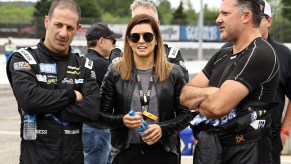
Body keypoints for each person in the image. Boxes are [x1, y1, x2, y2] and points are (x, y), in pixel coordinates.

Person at [180, 0, 279, 163]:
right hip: (214, 149)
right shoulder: (221, 55)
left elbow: (216, 107)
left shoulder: (260, 53)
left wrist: (202, 101)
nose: (218, 19)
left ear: (246, 17)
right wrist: (213, 92)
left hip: (247, 151)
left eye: (225, 14)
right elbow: (184, 96)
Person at [6, 0, 101, 163]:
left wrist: (45, 107)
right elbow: (29, 100)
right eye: (58, 25)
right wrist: (72, 96)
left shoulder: (84, 65)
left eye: (70, 27)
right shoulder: (24, 58)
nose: (63, 33)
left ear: (78, 29)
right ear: (47, 22)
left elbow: (91, 110)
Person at [98, 14, 192, 164]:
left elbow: (186, 115)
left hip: (164, 152)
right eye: (135, 37)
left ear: (156, 40)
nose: (141, 41)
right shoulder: (115, 72)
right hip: (126, 153)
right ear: (129, 41)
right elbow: (100, 115)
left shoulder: (174, 72)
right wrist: (122, 120)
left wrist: (162, 128)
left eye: (147, 36)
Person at [221, 1, 291, 163]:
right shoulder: (226, 51)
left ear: (269, 21)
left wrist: (285, 131)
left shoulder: (283, 53)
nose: (255, 22)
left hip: (268, 135)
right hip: (230, 134)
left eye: (260, 18)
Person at [109, 0, 189, 82]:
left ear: (157, 24)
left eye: (147, 21)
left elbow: (183, 89)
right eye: (138, 20)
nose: (143, 25)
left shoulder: (172, 54)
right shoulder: (119, 53)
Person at [82, 22, 122, 164]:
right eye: (113, 42)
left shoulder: (82, 60)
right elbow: (121, 87)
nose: (115, 46)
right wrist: (116, 61)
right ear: (101, 41)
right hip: (98, 128)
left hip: (85, 125)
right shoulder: (101, 64)